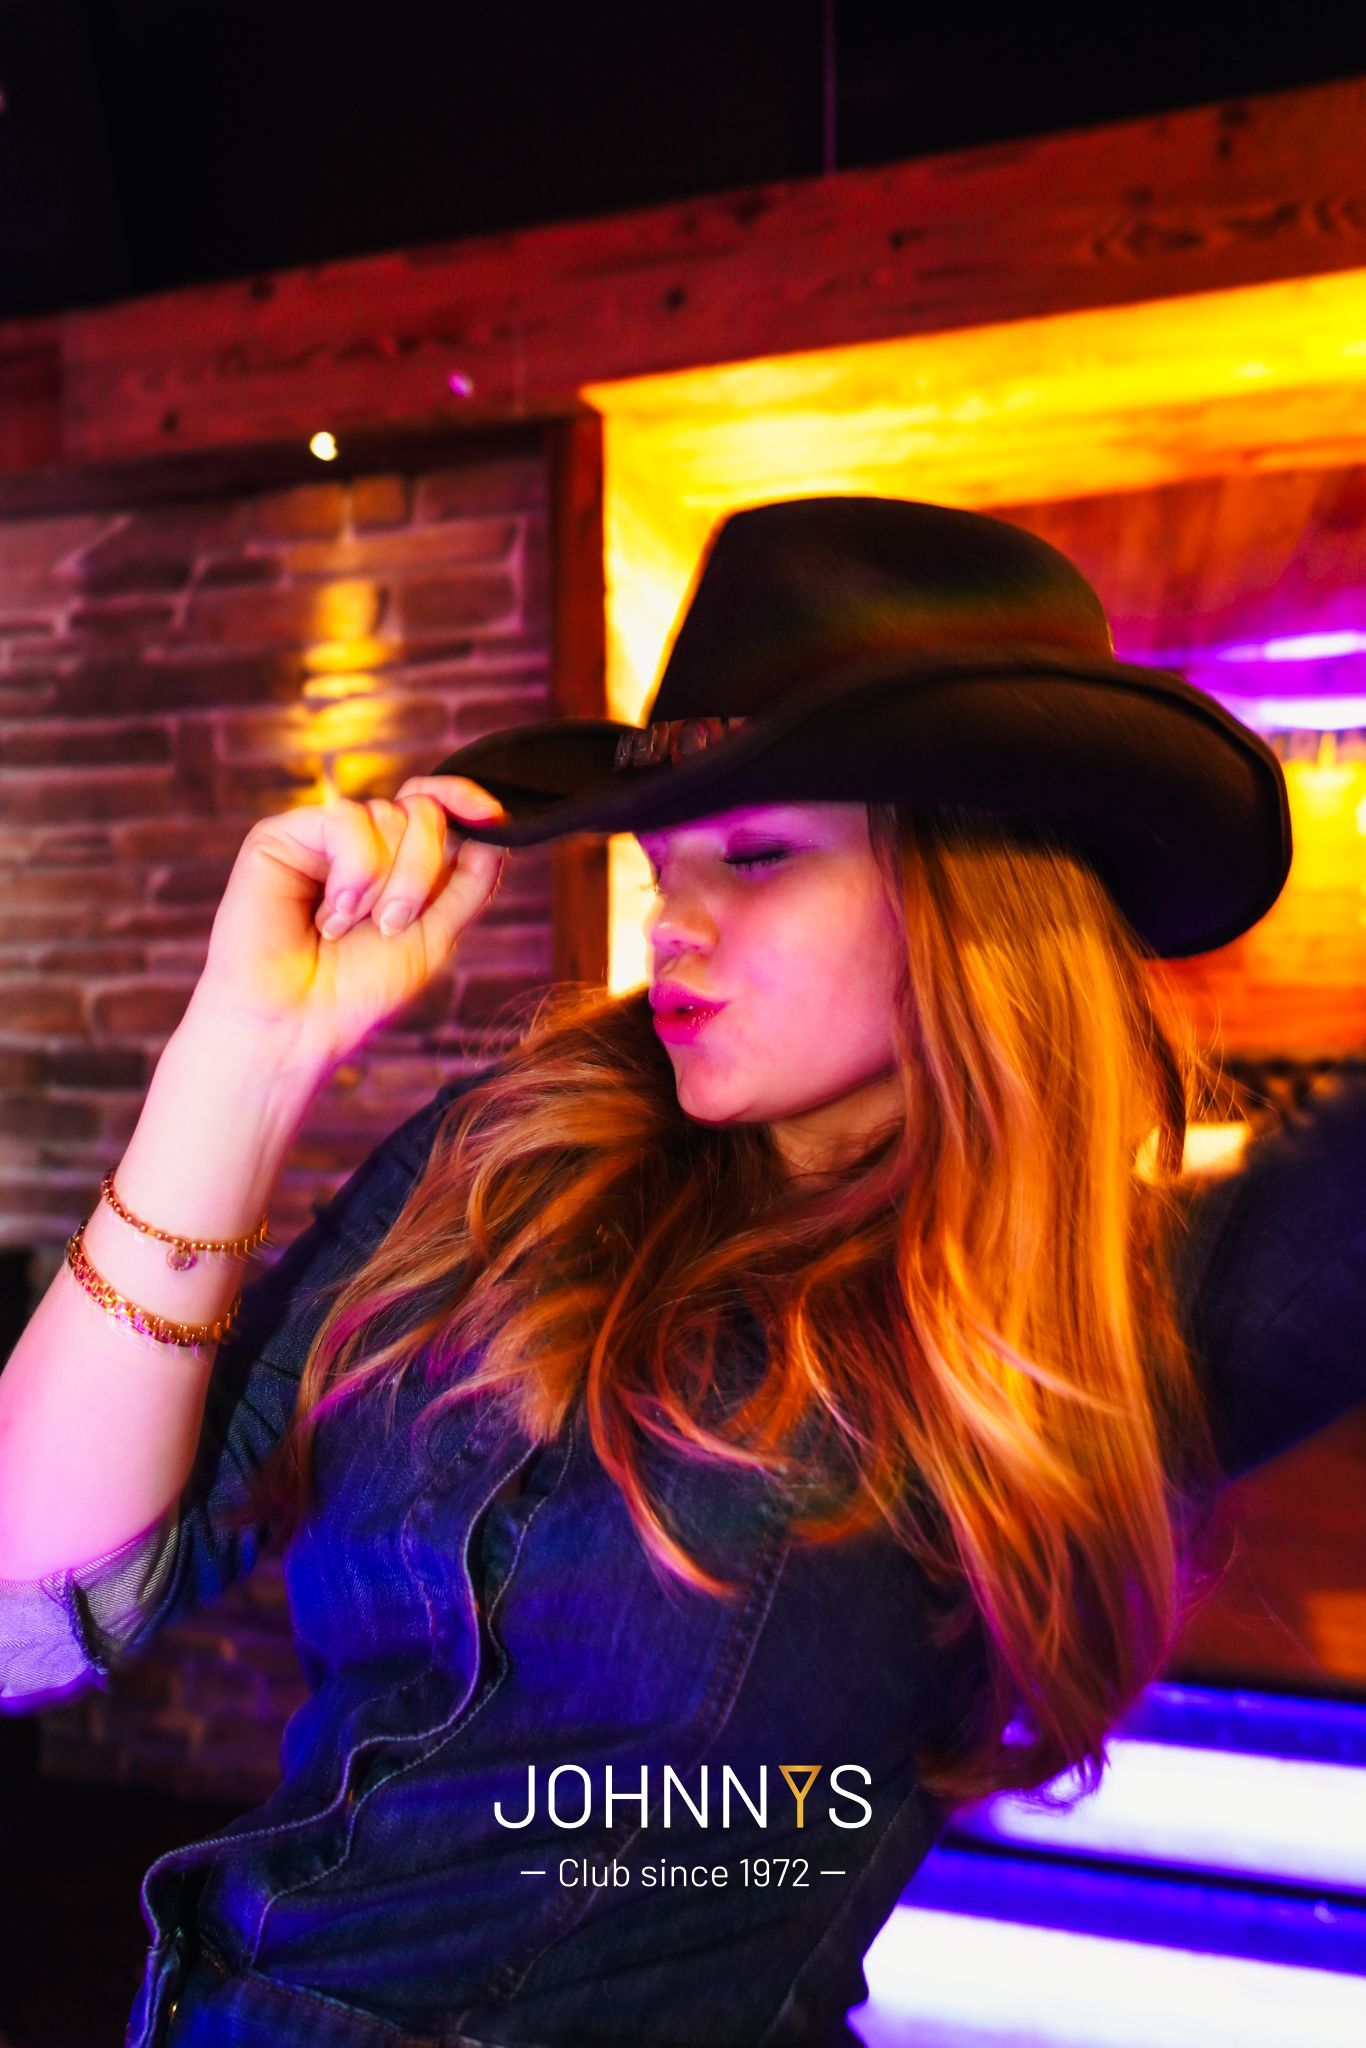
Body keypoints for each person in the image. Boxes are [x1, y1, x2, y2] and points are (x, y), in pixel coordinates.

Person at [0, 496, 1363, 2048]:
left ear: (981, 887)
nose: (673, 927)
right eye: (662, 866)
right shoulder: (513, 1153)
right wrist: (241, 1054)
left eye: (757, 858)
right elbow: (27, 1618)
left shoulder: (1104, 1308)